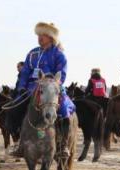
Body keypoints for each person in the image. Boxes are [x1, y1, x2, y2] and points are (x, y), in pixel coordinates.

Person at [11, 22, 75, 157]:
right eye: (39, 35)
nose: (40, 38)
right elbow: (25, 72)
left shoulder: (58, 54)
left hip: (51, 88)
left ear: (51, 37)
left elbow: (61, 74)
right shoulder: (32, 53)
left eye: (43, 35)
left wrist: (51, 84)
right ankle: (19, 142)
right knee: (14, 108)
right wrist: (22, 87)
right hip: (31, 89)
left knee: (64, 110)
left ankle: (63, 144)